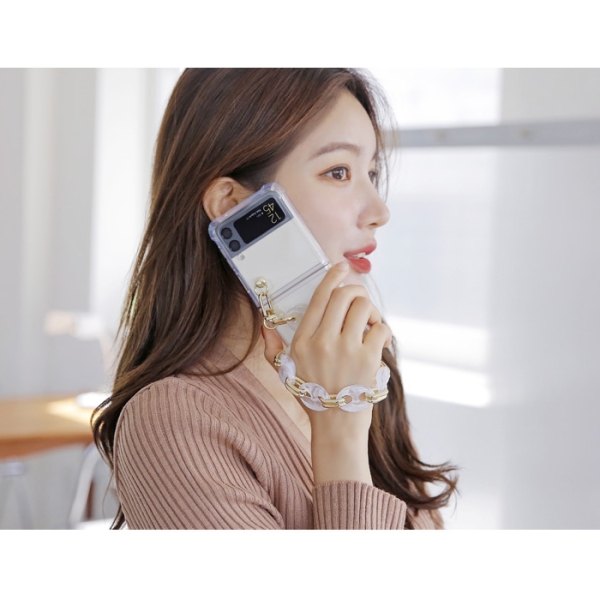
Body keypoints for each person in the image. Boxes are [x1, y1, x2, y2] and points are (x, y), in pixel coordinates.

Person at [92, 68, 458, 529]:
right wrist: (340, 426)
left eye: (372, 172)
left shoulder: (354, 365)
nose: (379, 212)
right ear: (233, 206)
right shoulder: (171, 421)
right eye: (339, 172)